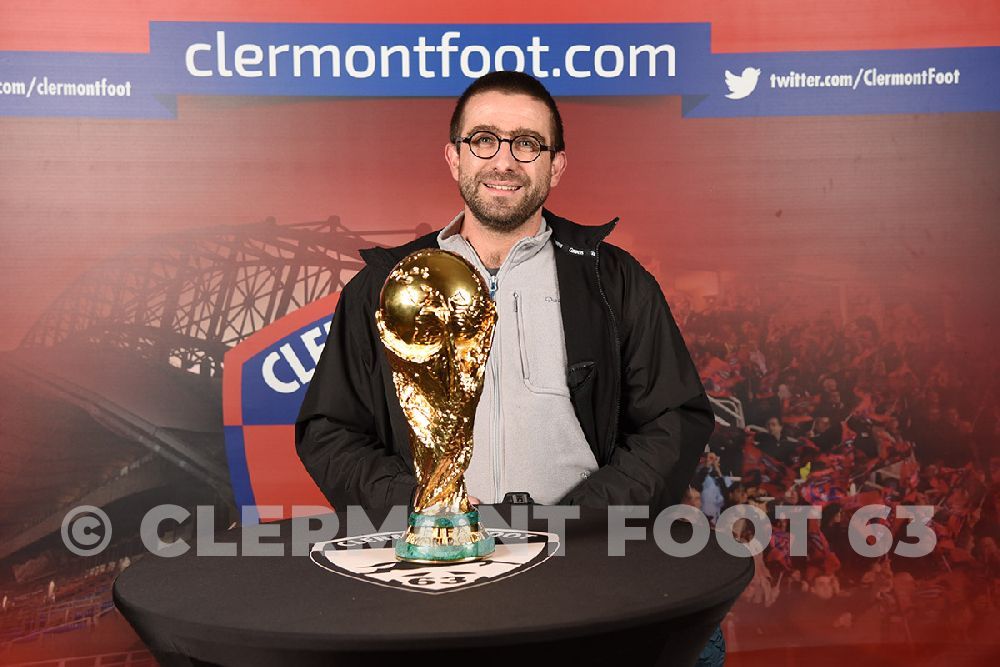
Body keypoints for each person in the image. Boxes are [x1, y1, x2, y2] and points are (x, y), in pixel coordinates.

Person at [295, 70, 714, 513]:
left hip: (580, 558)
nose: (504, 162)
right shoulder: (386, 285)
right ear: (455, 157)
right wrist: (421, 504)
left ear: (556, 167)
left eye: (528, 143)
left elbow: (675, 421)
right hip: (432, 556)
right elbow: (330, 431)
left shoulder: (614, 282)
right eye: (483, 139)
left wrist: (582, 518)